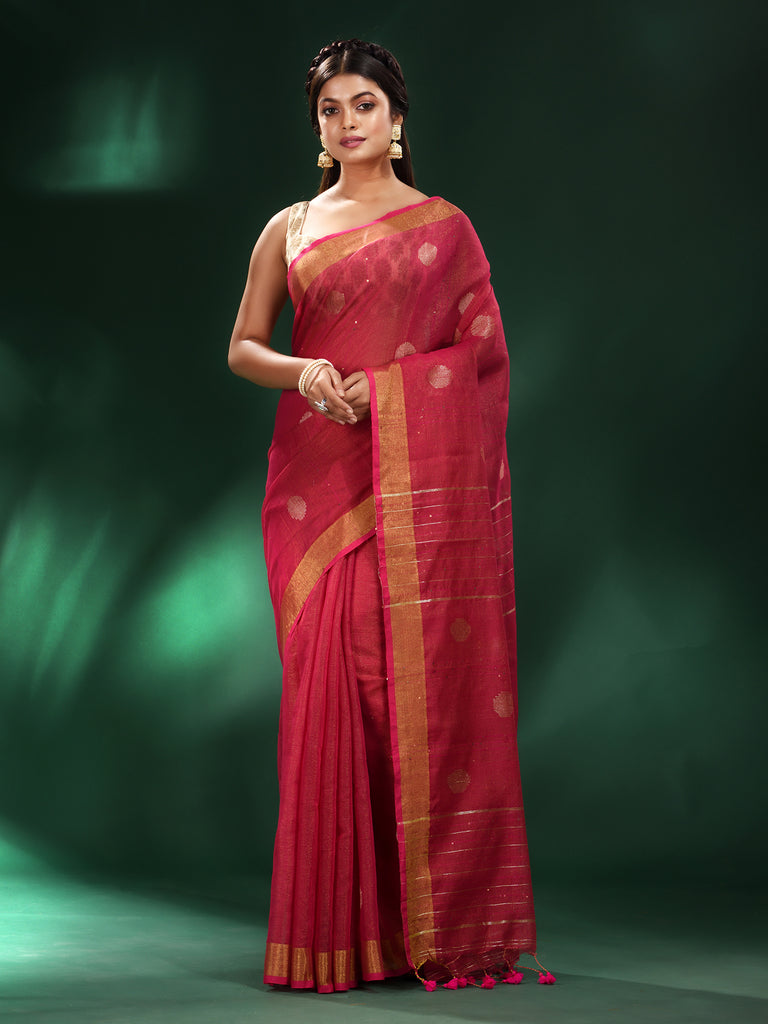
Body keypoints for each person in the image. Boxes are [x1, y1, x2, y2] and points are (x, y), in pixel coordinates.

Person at [228, 38, 546, 994]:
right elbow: (244, 347)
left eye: (364, 104)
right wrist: (307, 373)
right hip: (315, 485)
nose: (348, 122)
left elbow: (481, 358)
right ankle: (342, 933)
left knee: (390, 692)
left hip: (405, 485)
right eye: (331, 109)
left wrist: (393, 391)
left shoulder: (445, 229)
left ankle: (419, 924)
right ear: (318, 128)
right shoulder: (289, 227)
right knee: (325, 692)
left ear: (397, 119)